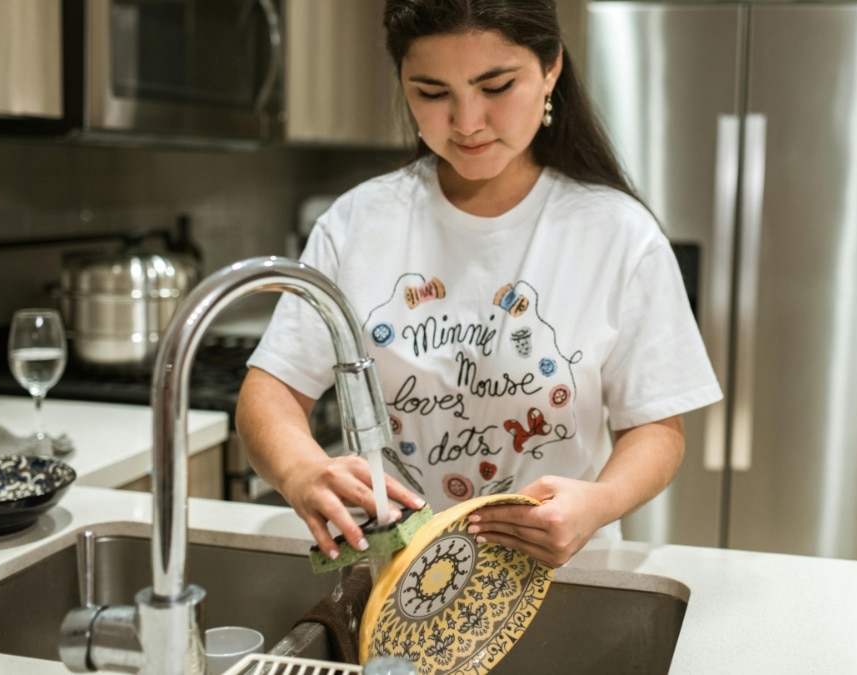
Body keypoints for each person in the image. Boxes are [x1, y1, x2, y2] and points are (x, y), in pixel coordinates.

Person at [236, 0, 722, 568]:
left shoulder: (618, 233)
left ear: (551, 69)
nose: (467, 122)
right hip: (394, 574)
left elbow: (657, 428)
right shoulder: (357, 223)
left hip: (554, 574)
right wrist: (300, 469)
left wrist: (600, 501)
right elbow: (271, 391)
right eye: (432, 92)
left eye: (496, 86)